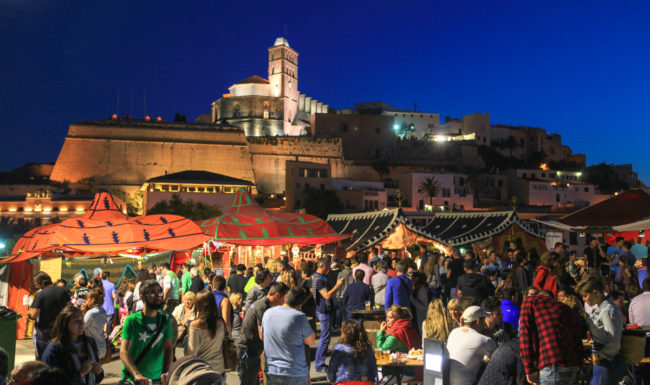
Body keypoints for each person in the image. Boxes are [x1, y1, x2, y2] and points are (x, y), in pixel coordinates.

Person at [519, 292, 583, 385]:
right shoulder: (566, 309)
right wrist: (580, 366)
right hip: (572, 366)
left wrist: (529, 369)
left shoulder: (529, 302)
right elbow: (578, 341)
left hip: (551, 366)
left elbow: (525, 337)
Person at [119, 280, 174, 385]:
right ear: (142, 297)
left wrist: (166, 372)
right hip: (134, 379)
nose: (158, 296)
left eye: (159, 292)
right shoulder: (132, 320)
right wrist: (137, 374)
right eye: (153, 293)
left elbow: (168, 349)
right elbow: (123, 351)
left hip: (157, 380)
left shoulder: (165, 319)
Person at [236, 282, 290, 385]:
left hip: (254, 350)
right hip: (247, 350)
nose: (285, 300)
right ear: (277, 295)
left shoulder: (266, 305)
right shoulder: (262, 306)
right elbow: (263, 335)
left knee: (254, 381)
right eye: (285, 297)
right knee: (249, 381)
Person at [576, 275, 625, 385]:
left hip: (606, 362)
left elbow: (613, 340)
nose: (584, 299)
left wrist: (601, 355)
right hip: (603, 363)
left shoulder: (608, 310)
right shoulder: (603, 309)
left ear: (595, 292)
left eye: (585, 296)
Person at [261, 286, 315, 385]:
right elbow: (310, 341)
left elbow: (263, 335)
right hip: (294, 371)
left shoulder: (267, 313)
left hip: (272, 370)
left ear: (285, 297)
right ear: (300, 305)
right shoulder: (299, 317)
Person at [42, 304, 104, 385]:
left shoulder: (89, 344)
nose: (82, 324)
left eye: (82, 319)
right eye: (76, 321)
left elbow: (97, 379)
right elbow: (48, 380)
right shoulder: (54, 349)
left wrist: (98, 372)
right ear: (65, 324)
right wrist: (80, 373)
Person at [447, 306, 497, 385]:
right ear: (478, 321)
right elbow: (498, 358)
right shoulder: (483, 339)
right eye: (483, 320)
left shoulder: (453, 332)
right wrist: (489, 333)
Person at [312, 257, 345, 372]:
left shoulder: (318, 277)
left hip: (323, 309)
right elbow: (326, 295)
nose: (329, 269)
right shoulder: (319, 279)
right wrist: (338, 285)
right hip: (323, 310)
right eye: (327, 266)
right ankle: (319, 364)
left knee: (325, 337)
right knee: (325, 338)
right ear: (321, 266)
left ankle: (320, 363)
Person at [29, 271, 70, 359]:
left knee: (44, 357)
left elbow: (34, 315)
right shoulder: (63, 291)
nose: (36, 286)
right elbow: (69, 308)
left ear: (42, 283)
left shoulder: (40, 294)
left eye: (37, 284)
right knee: (59, 356)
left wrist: (29, 312)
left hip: (45, 332)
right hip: (61, 329)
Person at [377, 305, 422, 380]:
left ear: (398, 320)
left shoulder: (396, 334)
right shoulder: (406, 327)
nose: (387, 320)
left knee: (370, 379)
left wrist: (381, 332)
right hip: (411, 370)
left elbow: (381, 352)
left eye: (390, 317)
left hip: (399, 372)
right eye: (387, 317)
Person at [187, 290, 226, 375]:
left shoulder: (195, 325)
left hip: (201, 371)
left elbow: (192, 351)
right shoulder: (220, 323)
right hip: (219, 369)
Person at [327, 320, 377, 384]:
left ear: (345, 333)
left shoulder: (339, 348)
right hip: (365, 382)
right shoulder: (367, 347)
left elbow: (331, 373)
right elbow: (374, 369)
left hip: (345, 382)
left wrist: (333, 381)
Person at [82, 287, 108, 359]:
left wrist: (83, 312)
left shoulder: (91, 313)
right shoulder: (102, 310)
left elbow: (82, 327)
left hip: (92, 348)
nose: (85, 301)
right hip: (101, 345)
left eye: (87, 299)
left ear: (92, 300)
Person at [211, 275, 233, 340]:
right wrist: (229, 336)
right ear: (224, 287)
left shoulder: (206, 296)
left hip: (207, 332)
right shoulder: (224, 300)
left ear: (212, 286)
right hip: (219, 334)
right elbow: (226, 320)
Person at [100, 271, 117, 336]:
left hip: (101, 308)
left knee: (101, 325)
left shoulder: (99, 284)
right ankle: (109, 339)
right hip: (110, 309)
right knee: (109, 325)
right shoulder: (112, 285)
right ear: (107, 277)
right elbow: (114, 296)